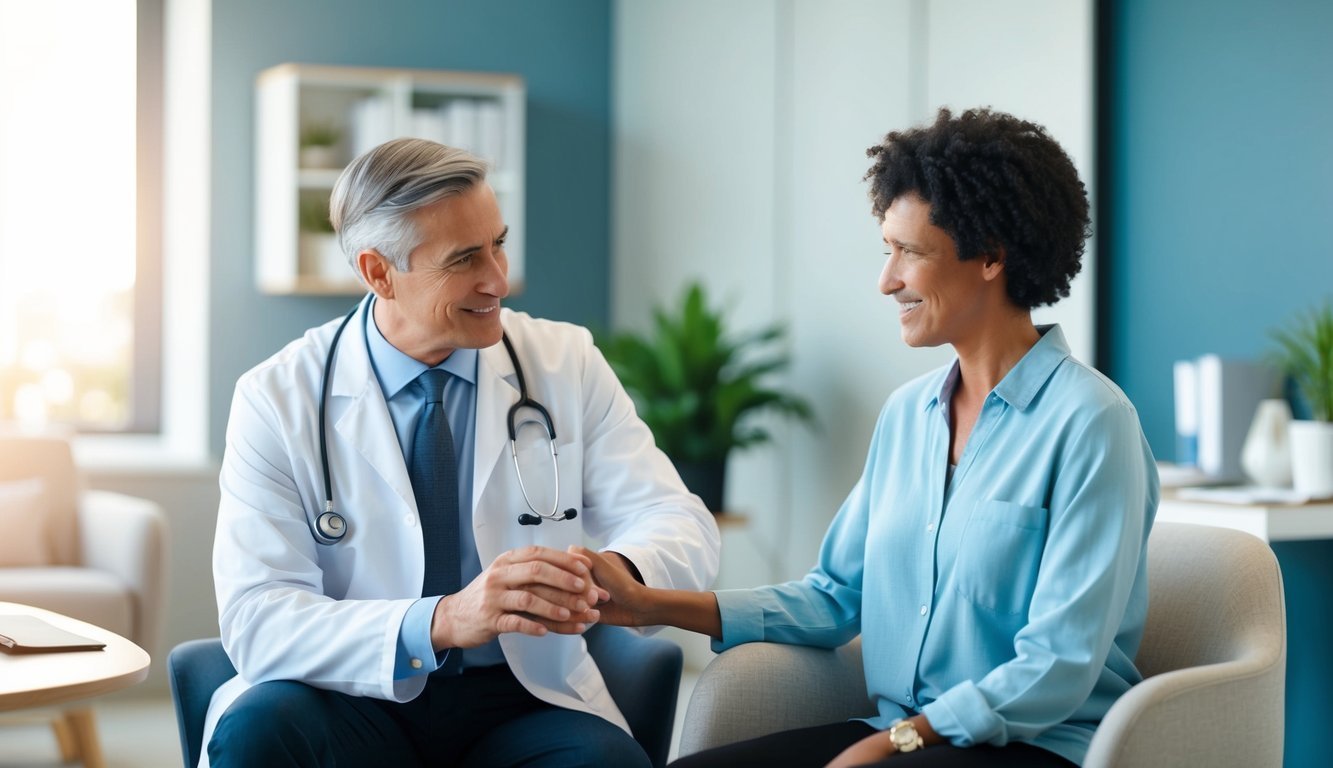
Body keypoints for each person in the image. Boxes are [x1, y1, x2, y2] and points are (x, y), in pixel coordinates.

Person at [580, 108, 1159, 768]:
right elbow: (832, 598)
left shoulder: (1090, 423)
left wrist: (896, 741)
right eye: (887, 250)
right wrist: (647, 601)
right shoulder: (906, 416)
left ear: (993, 255)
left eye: (909, 252)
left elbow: (1058, 663)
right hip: (897, 732)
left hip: (1029, 744)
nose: (886, 281)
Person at [204, 138, 720, 768]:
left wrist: (616, 570)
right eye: (465, 259)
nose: (499, 279)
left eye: (498, 243)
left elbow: (679, 521)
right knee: (260, 732)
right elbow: (259, 615)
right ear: (377, 272)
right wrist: (442, 620)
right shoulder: (276, 398)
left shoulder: (565, 363)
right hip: (349, 689)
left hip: (520, 694)